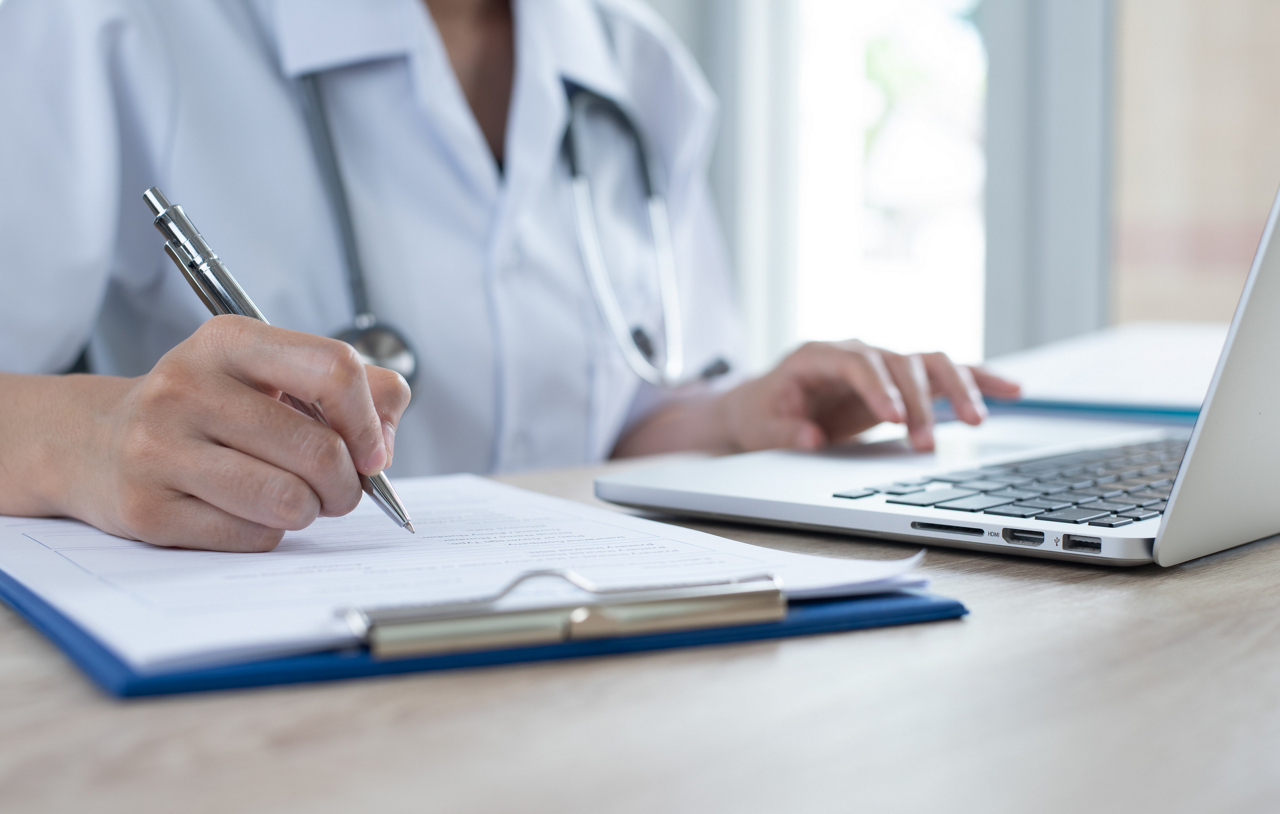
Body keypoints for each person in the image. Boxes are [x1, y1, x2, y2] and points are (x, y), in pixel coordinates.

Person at [0, 0, 1019, 552]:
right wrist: (86, 440)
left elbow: (597, 425)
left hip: (573, 670)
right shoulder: (105, 22)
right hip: (258, 715)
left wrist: (732, 418)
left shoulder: (635, 63)